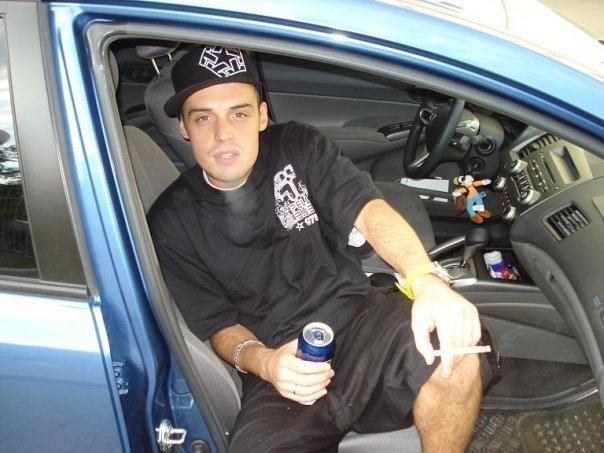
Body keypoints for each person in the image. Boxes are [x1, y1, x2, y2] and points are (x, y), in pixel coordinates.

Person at [148, 45, 495, 452]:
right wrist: (266, 363)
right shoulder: (171, 222)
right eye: (204, 117)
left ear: (262, 115)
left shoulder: (298, 146)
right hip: (280, 364)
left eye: (238, 113)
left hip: (359, 319)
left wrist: (426, 280)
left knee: (456, 352)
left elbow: (368, 211)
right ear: (184, 127)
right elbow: (219, 326)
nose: (223, 134)